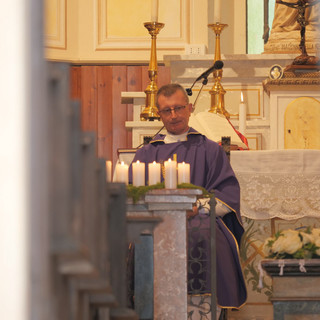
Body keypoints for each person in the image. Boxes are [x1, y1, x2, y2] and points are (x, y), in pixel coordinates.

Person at [128, 83, 247, 311]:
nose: (174, 116)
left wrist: (196, 207)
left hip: (200, 216)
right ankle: (150, 305)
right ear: (159, 113)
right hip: (156, 219)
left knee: (206, 232)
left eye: (179, 108)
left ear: (190, 108)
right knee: (143, 235)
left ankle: (204, 308)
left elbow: (227, 195)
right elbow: (133, 194)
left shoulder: (210, 150)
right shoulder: (147, 152)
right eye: (166, 110)